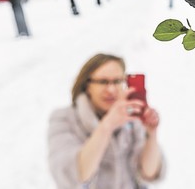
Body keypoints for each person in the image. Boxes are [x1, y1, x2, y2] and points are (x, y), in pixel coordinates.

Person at [48, 53, 164, 189]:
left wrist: (151, 133)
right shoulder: (64, 118)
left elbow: (148, 173)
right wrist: (107, 125)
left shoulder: (132, 119)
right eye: (103, 82)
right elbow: (72, 175)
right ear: (87, 85)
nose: (111, 89)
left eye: (117, 81)